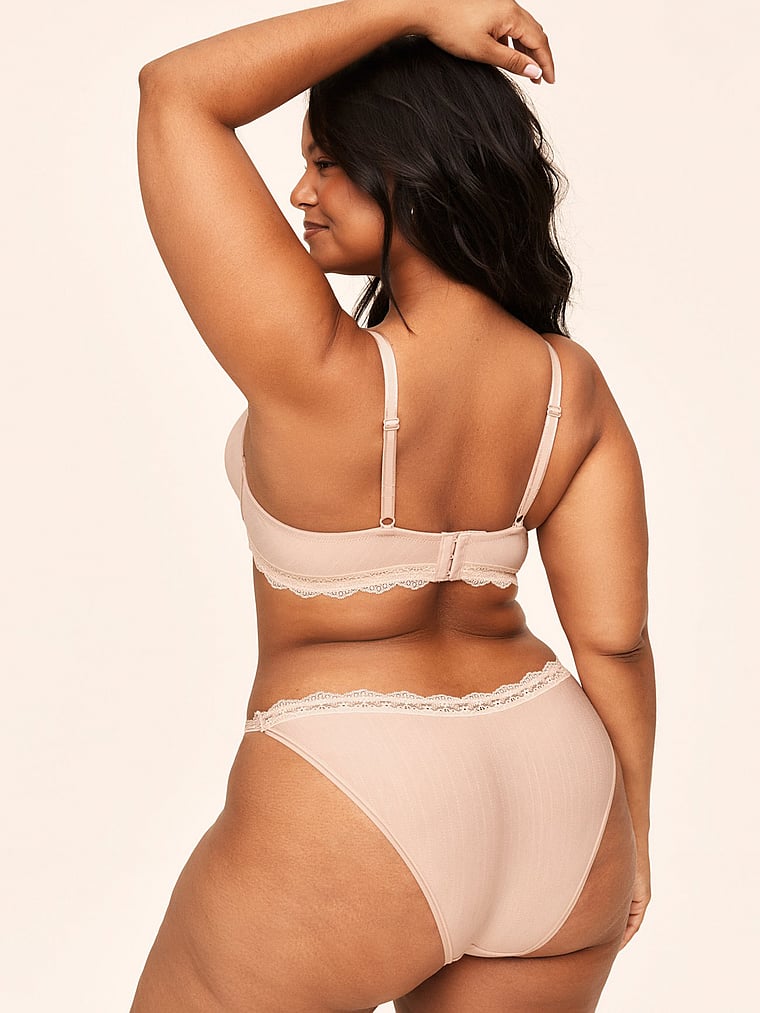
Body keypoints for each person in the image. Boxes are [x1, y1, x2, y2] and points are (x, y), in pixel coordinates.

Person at [132, 1, 656, 1009]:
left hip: (354, 782)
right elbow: (615, 640)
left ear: (409, 171)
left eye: (326, 162)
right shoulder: (570, 384)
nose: (300, 190)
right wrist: (630, 827)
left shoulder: (317, 368)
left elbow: (177, 92)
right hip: (559, 794)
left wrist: (418, 7)